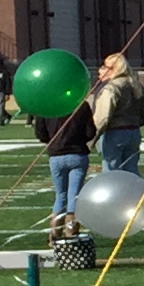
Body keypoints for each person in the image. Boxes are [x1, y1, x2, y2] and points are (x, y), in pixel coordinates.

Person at [39, 91, 96, 234]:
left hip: (56, 155)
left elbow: (40, 133)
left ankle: (55, 233)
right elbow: (90, 132)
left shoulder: (46, 106)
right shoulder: (81, 105)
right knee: (74, 195)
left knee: (60, 195)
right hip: (77, 154)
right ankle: (71, 232)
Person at [92, 53, 144, 175]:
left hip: (114, 132)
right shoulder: (135, 84)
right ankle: (135, 188)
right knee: (132, 170)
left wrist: (91, 138)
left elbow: (102, 117)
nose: (102, 69)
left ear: (113, 68)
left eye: (105, 66)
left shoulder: (112, 88)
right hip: (134, 132)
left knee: (112, 172)